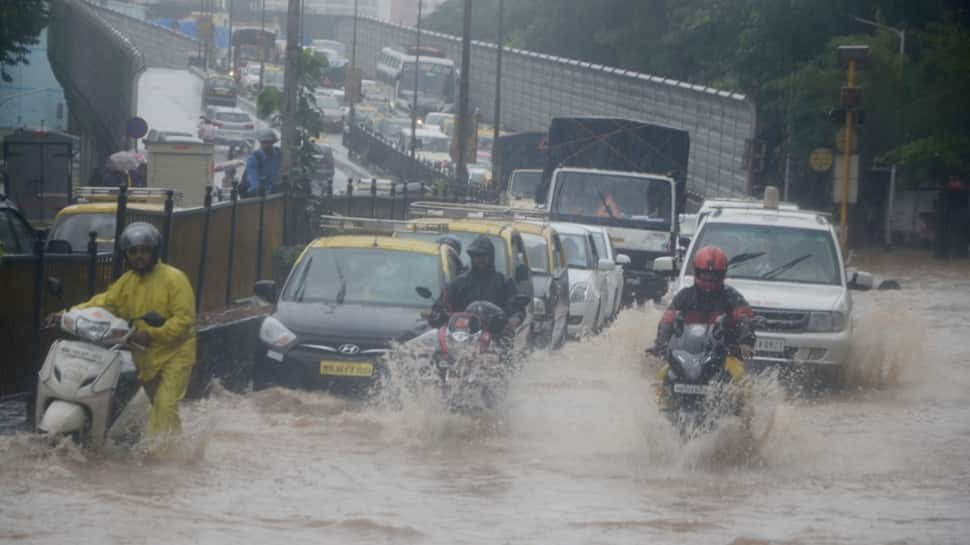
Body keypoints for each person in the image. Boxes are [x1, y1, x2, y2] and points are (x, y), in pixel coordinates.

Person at [71, 223, 197, 451]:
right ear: (126, 255)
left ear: (155, 251)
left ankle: (158, 462)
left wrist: (151, 334)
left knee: (166, 406)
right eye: (134, 251)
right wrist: (68, 313)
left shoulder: (175, 279)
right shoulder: (126, 283)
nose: (139, 256)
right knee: (162, 411)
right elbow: (104, 302)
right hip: (145, 357)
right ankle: (179, 454)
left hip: (176, 355)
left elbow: (184, 322)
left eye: (145, 250)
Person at [652, 245, 755, 359]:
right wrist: (661, 344)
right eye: (705, 274)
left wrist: (746, 342)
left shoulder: (732, 297)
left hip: (725, 355)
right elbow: (667, 320)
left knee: (739, 375)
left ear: (722, 274)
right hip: (684, 354)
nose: (709, 279)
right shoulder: (684, 296)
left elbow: (744, 318)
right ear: (696, 271)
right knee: (661, 374)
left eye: (714, 275)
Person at [429, 235, 522, 330]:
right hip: (461, 335)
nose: (479, 259)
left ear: (491, 256)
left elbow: (516, 307)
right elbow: (442, 305)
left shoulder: (504, 282)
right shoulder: (458, 283)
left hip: (496, 336)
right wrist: (437, 314)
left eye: (483, 255)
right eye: (475, 256)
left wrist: (513, 318)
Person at [244, 129, 281, 197]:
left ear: (273, 142)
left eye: (269, 142)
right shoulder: (254, 158)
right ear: (260, 142)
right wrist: (259, 188)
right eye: (263, 142)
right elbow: (253, 179)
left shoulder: (278, 154)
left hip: (274, 193)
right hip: (255, 194)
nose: (266, 144)